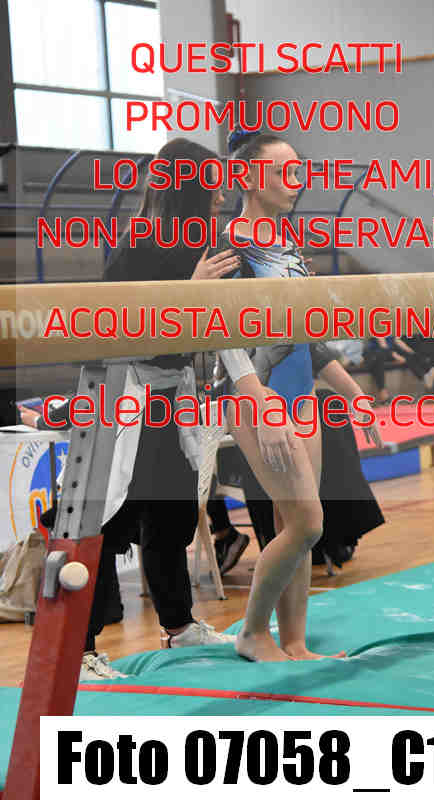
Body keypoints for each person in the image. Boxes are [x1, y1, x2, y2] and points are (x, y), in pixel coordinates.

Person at [22, 137, 243, 679]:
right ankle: (77, 648)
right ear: (189, 187)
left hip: (169, 395)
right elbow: (123, 327)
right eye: (214, 185)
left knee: (172, 515)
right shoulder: (141, 244)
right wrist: (189, 290)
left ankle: (179, 624)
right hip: (126, 395)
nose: (222, 195)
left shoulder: (200, 241)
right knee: (106, 521)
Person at [212, 128, 382, 662]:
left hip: (299, 395)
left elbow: (307, 336)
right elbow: (222, 332)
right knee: (310, 522)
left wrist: (352, 391)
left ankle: (294, 641)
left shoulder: (287, 245)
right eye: (284, 172)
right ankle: (251, 632)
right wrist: (257, 398)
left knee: (297, 527)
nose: (297, 181)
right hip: (255, 396)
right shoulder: (230, 243)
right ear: (248, 177)